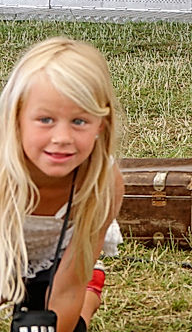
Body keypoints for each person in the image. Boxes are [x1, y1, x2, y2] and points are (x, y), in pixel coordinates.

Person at [0, 37, 124, 332]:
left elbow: (68, 288)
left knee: (58, 316)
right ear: (16, 119)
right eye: (45, 119)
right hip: (6, 249)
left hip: (61, 258)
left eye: (79, 121)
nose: (62, 137)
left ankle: (92, 289)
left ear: (100, 125)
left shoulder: (103, 184)